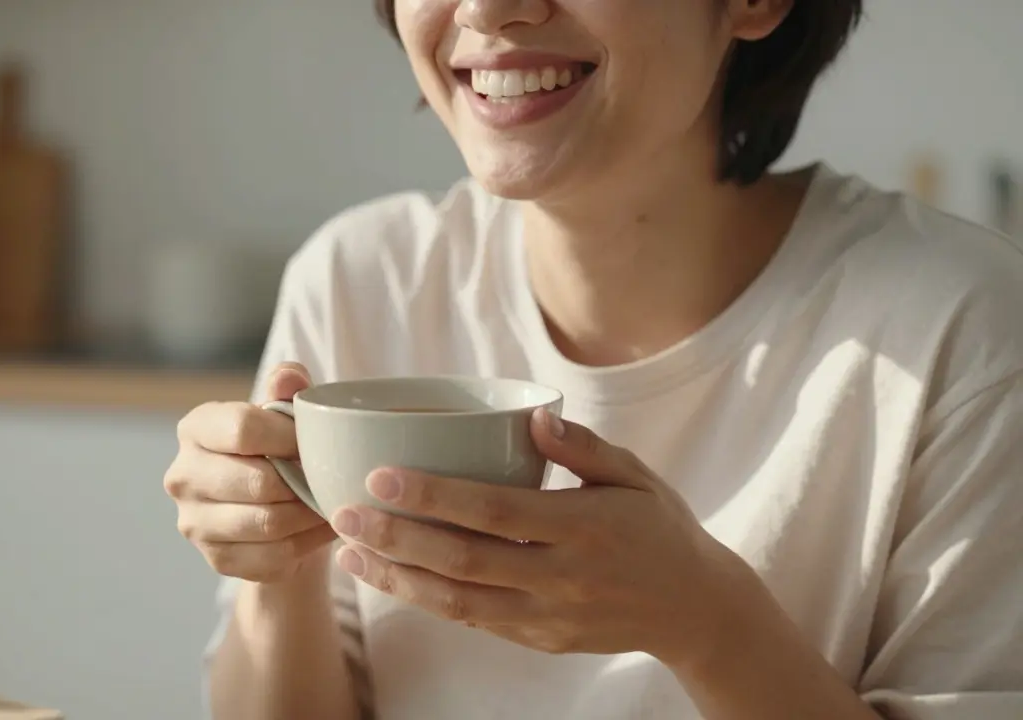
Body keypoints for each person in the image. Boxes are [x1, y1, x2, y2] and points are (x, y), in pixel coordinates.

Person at [165, 0, 1023, 718]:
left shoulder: (964, 329)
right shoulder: (359, 278)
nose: (489, 8)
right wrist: (274, 570)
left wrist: (707, 624)